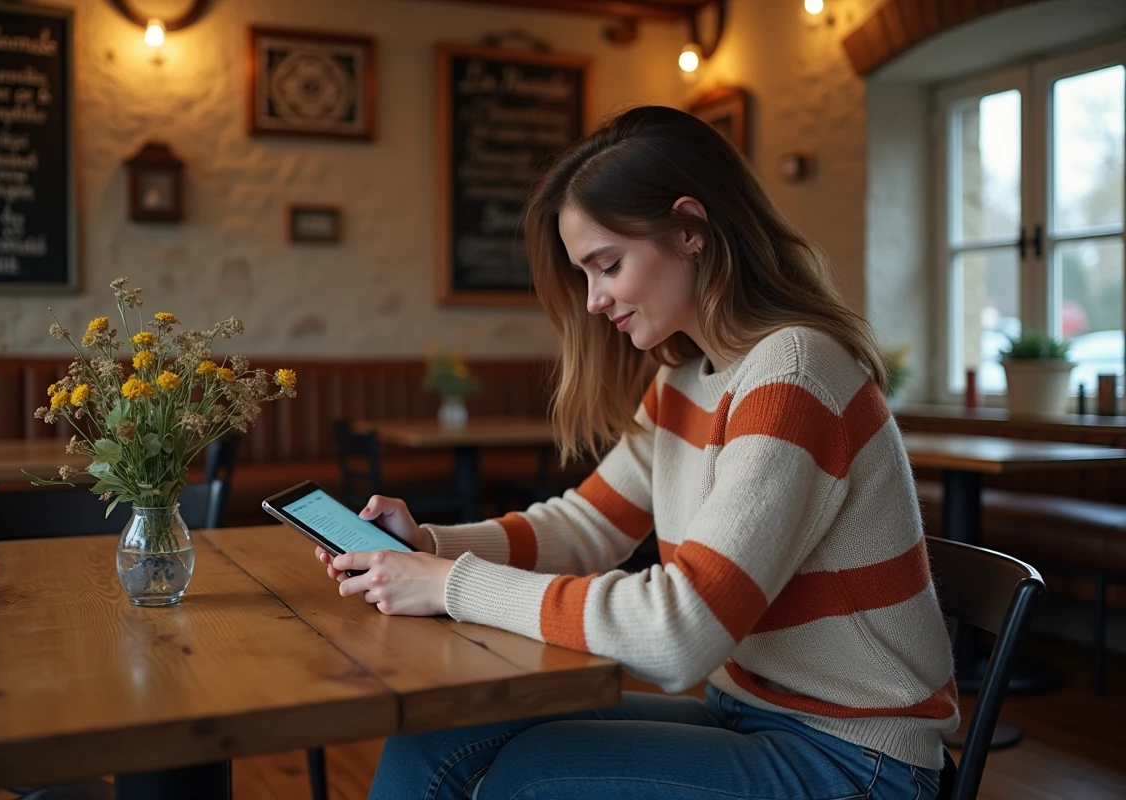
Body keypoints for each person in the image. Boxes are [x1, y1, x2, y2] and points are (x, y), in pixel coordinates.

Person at [316, 105, 957, 799]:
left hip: (858, 759)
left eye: (607, 265)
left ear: (690, 228)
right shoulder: (684, 378)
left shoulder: (795, 375)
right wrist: (429, 546)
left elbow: (681, 630)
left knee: (529, 782)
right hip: (748, 716)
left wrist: (448, 585)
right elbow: (586, 525)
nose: (593, 301)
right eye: (585, 274)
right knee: (439, 729)